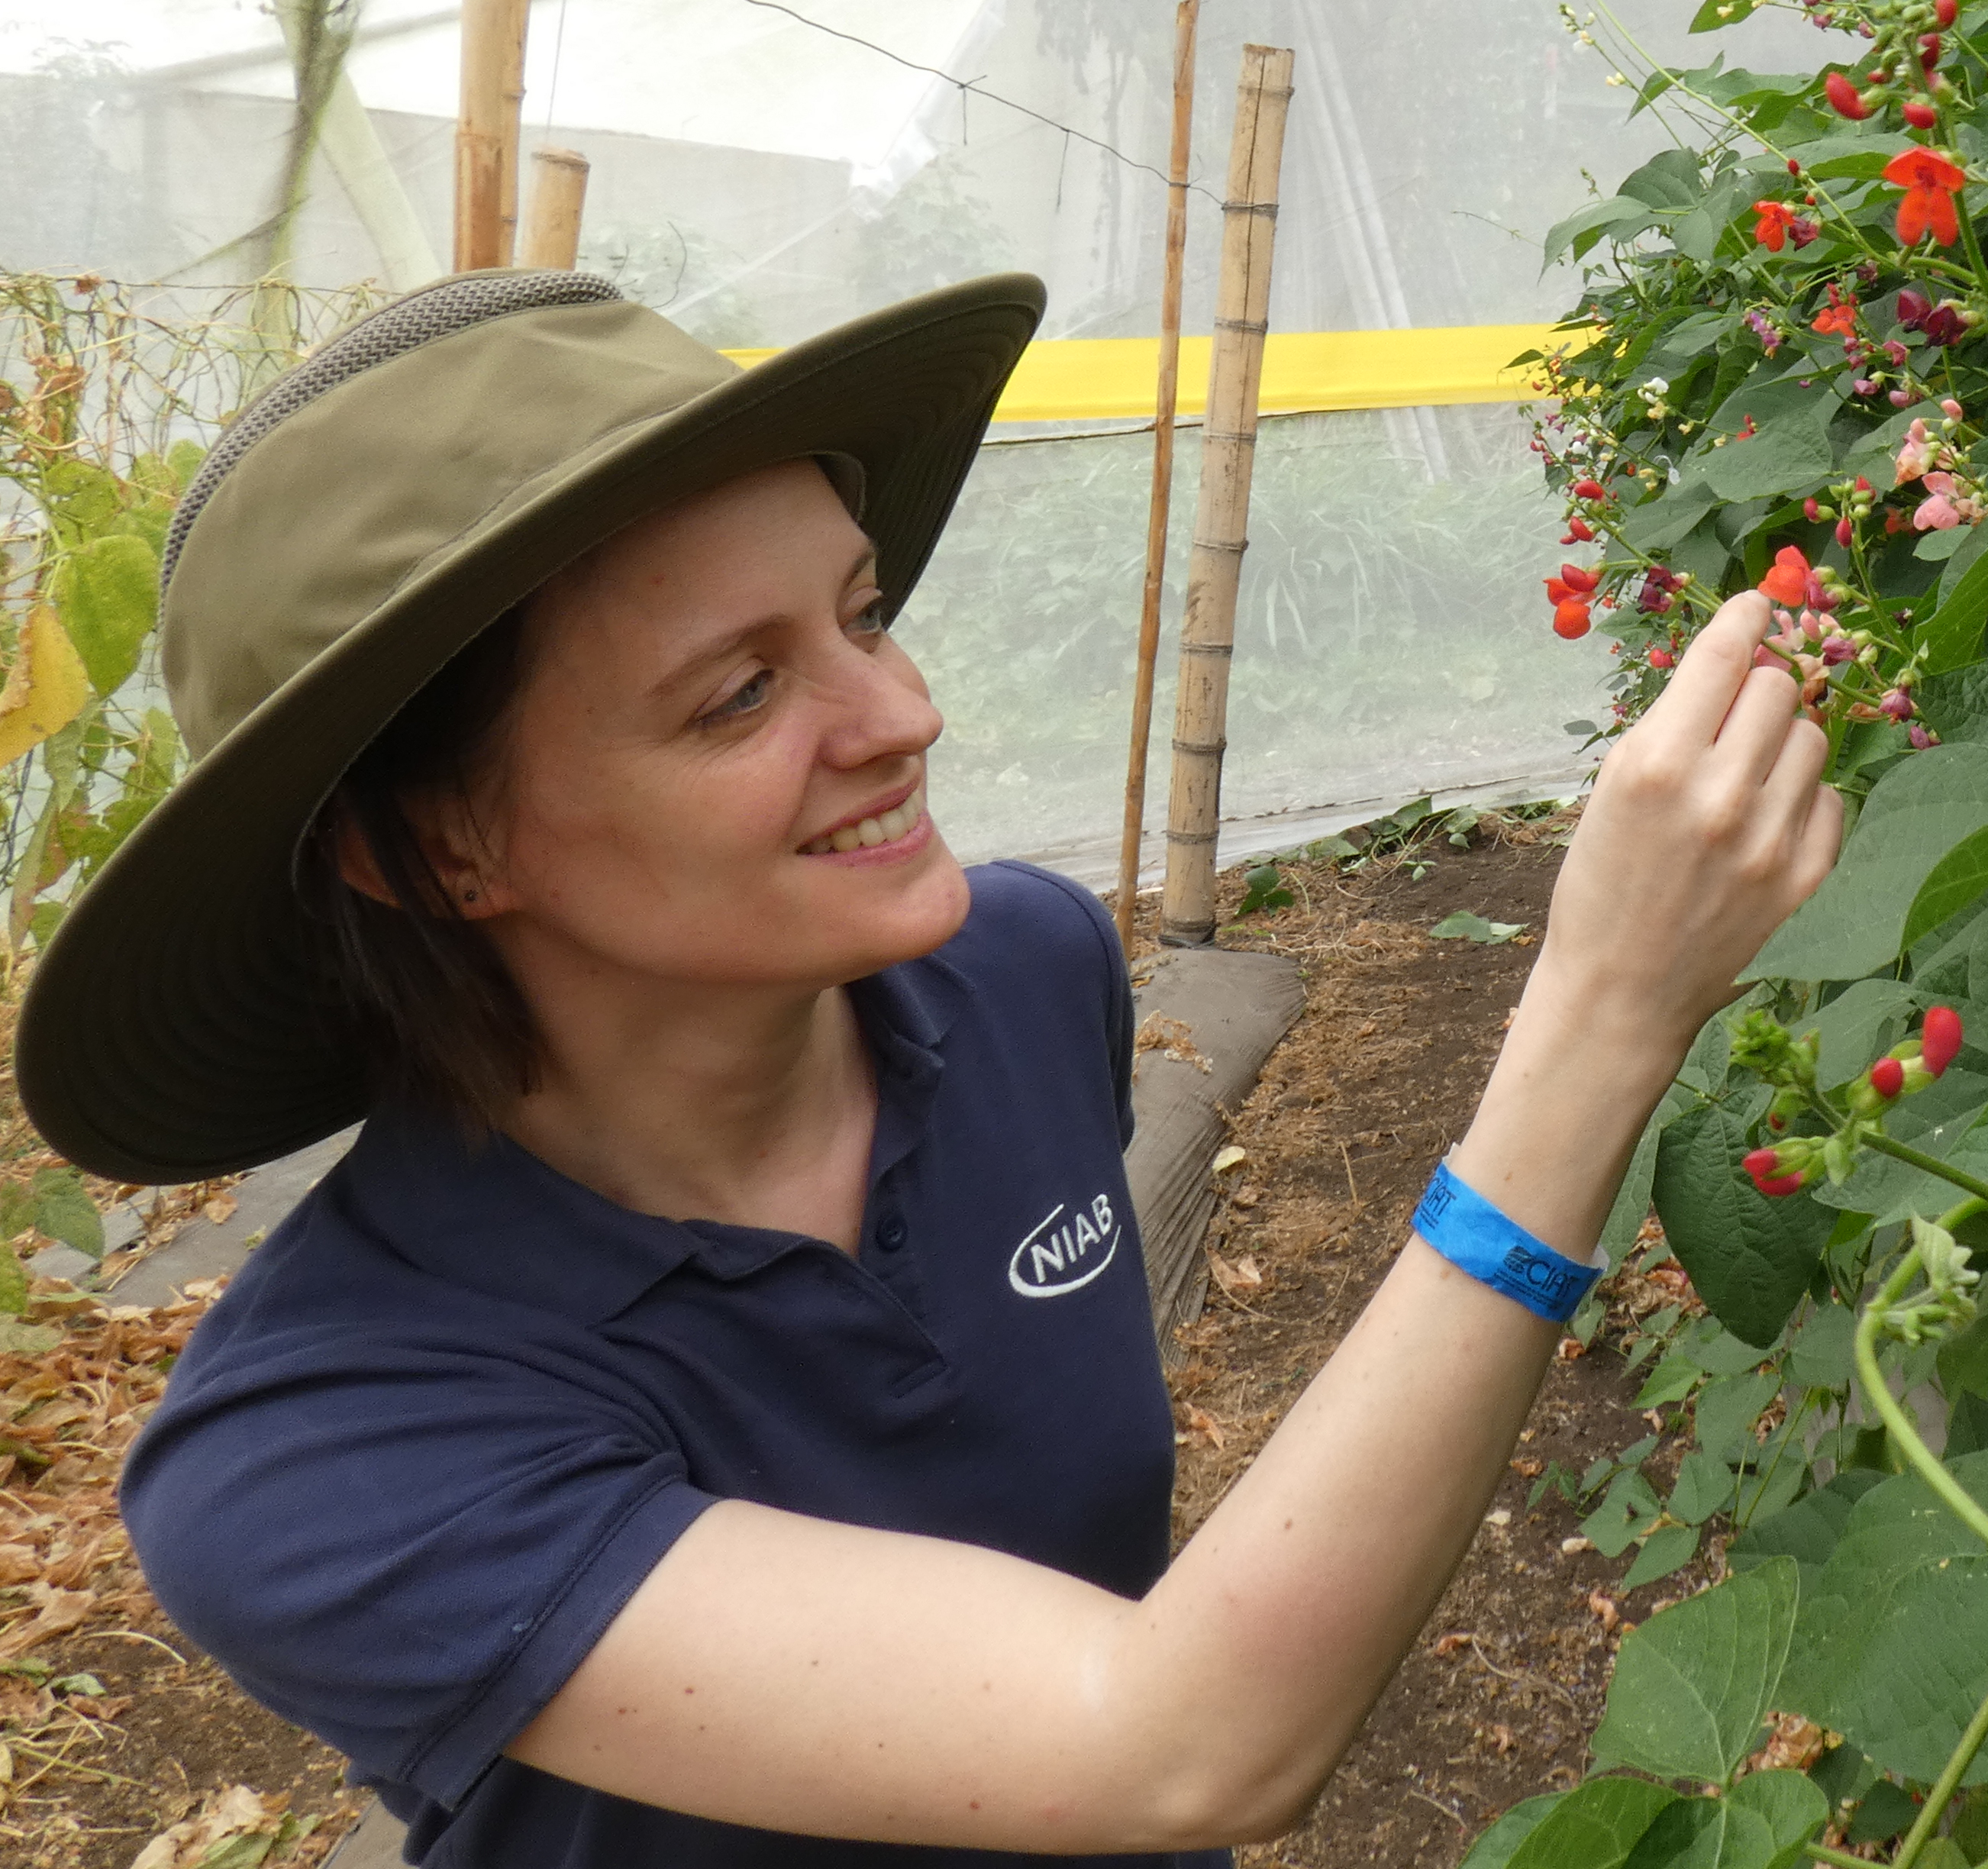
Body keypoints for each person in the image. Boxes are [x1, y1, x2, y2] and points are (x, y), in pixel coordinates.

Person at [21, 269, 1845, 1864]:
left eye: (863, 612)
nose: (903, 717)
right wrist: (1601, 1014)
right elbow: (1184, 1736)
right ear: (434, 857)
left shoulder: (1019, 974)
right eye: (737, 695)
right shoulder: (324, 1453)